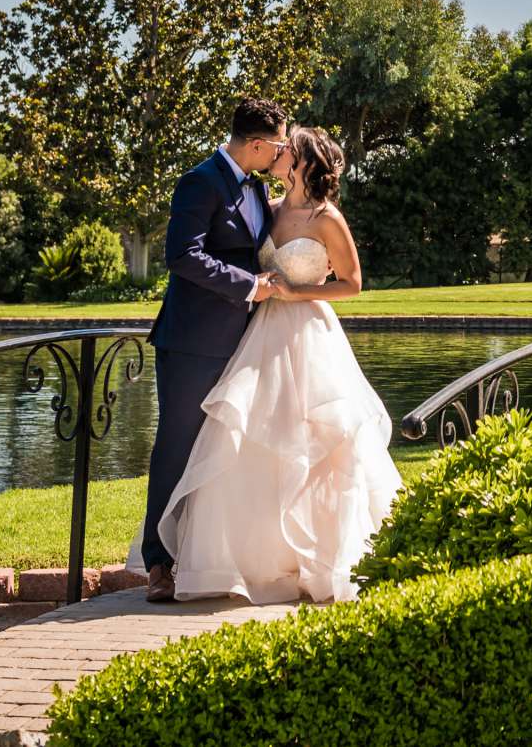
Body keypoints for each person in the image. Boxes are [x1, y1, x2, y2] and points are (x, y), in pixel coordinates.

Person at [143, 123, 403, 603]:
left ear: (303, 162)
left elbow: (352, 283)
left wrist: (296, 291)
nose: (281, 154)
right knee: (247, 442)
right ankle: (219, 557)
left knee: (317, 443)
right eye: (279, 146)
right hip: (257, 333)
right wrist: (262, 290)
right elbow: (210, 256)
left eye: (290, 149)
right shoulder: (269, 206)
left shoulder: (328, 218)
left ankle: (322, 552)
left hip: (308, 335)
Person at [137, 97, 290, 602]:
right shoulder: (199, 181)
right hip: (193, 343)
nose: (281, 152)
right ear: (256, 144)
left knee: (231, 449)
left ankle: (212, 556)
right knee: (178, 446)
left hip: (246, 341)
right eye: (279, 144)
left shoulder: (260, 188)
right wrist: (249, 286)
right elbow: (182, 256)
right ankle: (158, 564)